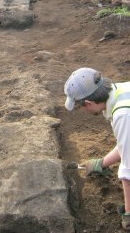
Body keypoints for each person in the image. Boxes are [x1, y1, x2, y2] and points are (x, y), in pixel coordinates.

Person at [64, 67, 130, 231]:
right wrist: (101, 163)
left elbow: (128, 172)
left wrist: (128, 213)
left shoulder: (123, 115)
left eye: (80, 107)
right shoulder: (122, 89)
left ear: (88, 103)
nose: (83, 111)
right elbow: (126, 144)